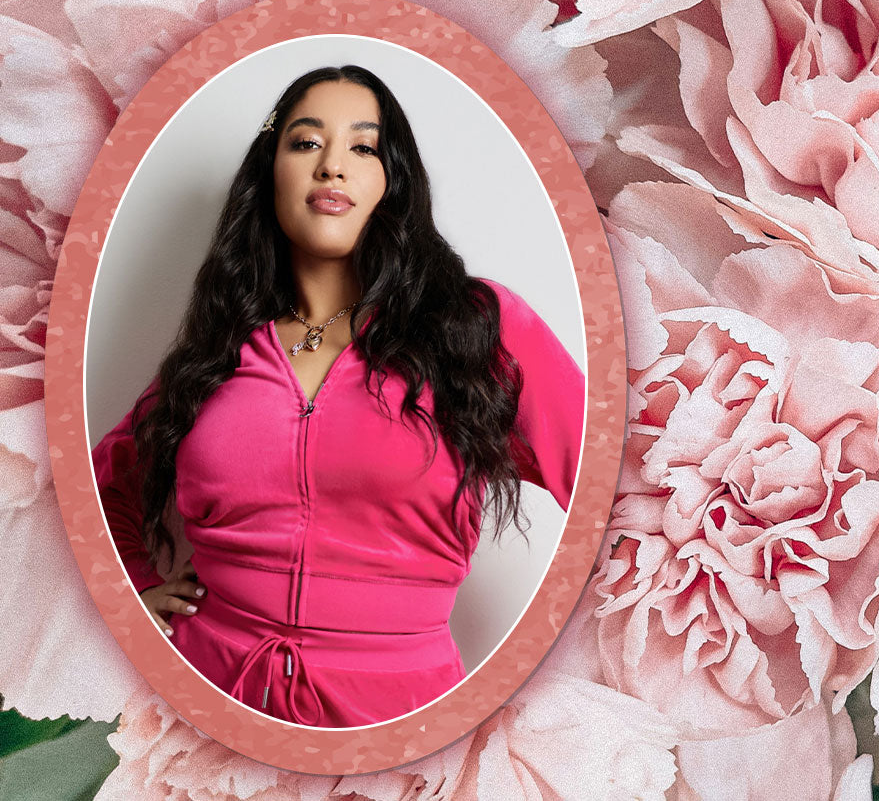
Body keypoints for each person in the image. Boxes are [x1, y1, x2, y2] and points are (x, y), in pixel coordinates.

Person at [91, 65, 584, 728]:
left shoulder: (475, 327)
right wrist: (137, 590)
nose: (331, 167)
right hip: (206, 691)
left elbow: (619, 489)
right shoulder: (219, 348)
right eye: (304, 143)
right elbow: (102, 481)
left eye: (362, 147)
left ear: (392, 180)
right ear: (271, 174)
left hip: (398, 716)